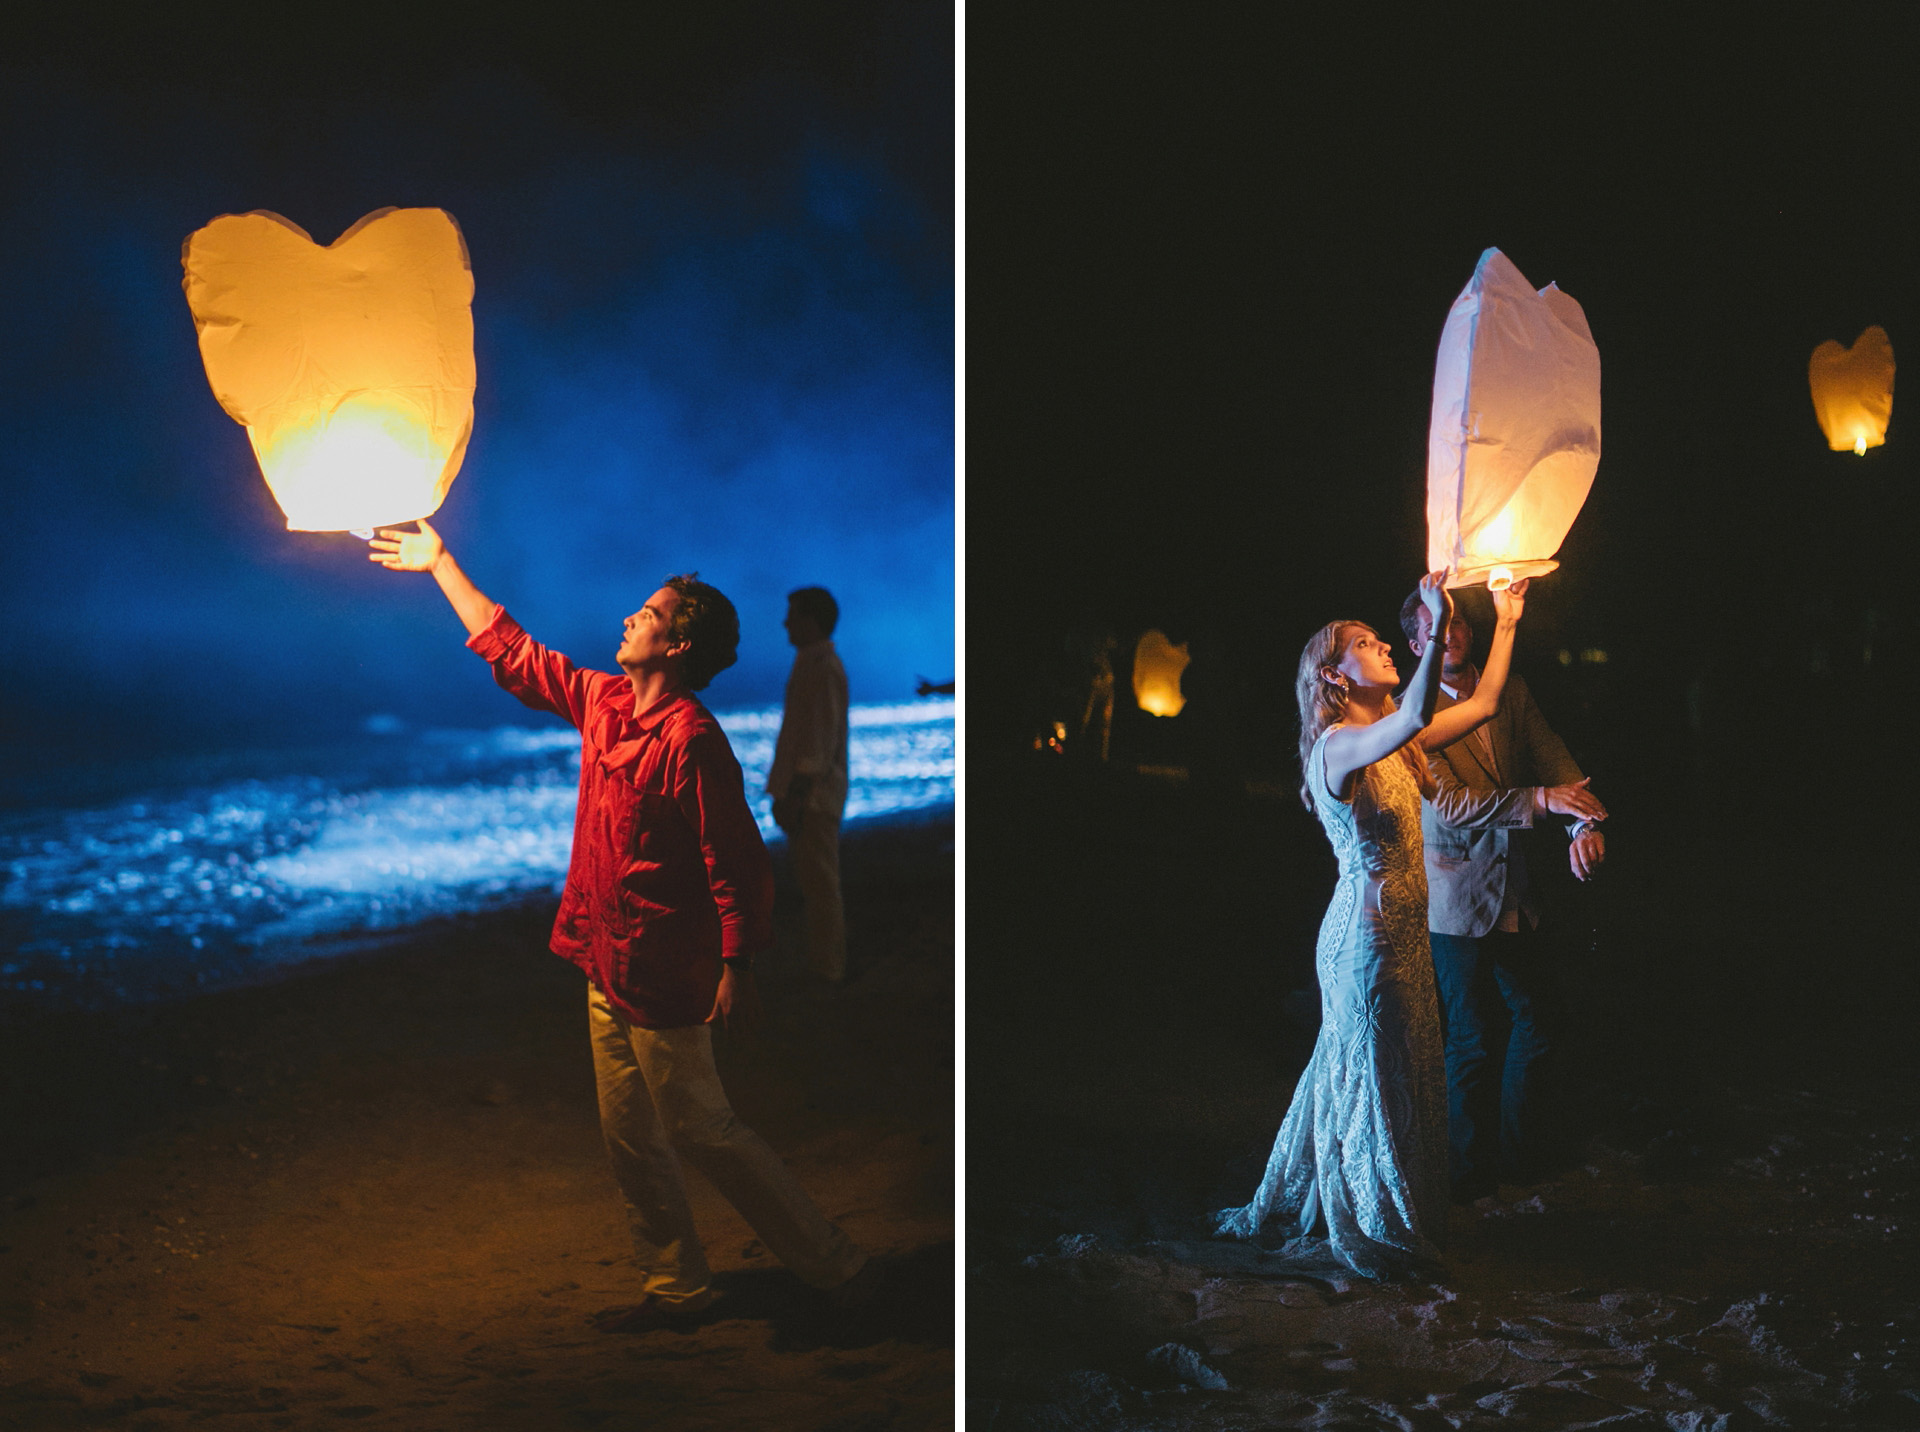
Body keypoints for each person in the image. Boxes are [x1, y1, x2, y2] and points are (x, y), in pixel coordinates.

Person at [369, 520, 876, 1329]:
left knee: (704, 1128)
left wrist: (736, 967)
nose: (631, 619)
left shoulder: (693, 743)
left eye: (650, 613)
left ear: (677, 646)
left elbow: (735, 864)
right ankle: (675, 1285)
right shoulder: (605, 703)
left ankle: (835, 1265)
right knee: (630, 1134)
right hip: (602, 958)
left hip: (668, 971)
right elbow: (518, 655)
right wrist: (441, 564)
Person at [1215, 572, 1528, 1279]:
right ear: (1333, 675)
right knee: (1380, 1079)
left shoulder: (1393, 741)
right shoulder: (1336, 746)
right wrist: (1438, 616)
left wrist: (1506, 620)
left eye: (1385, 640)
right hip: (1367, 941)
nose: (1387, 647)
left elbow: (1480, 702)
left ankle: (1372, 1199)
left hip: (1406, 937)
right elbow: (1417, 715)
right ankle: (1378, 1221)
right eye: (1369, 644)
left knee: (1392, 1072)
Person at [1398, 585, 1607, 1200]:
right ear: (1420, 642)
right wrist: (1542, 802)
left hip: (1515, 889)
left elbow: (1556, 763)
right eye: (1444, 625)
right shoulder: (1413, 712)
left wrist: (1584, 824)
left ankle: (1519, 1159)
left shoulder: (1509, 692)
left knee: (1539, 1021)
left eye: (1463, 622)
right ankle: (1468, 1174)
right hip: (1455, 897)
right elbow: (1454, 804)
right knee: (1471, 1038)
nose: (1457, 632)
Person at [768, 587, 850, 983]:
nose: (786, 622)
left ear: (810, 621)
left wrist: (794, 796)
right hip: (810, 796)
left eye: (793, 615)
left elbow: (816, 742)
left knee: (820, 884)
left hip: (814, 798)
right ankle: (823, 963)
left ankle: (827, 968)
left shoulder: (822, 666)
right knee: (816, 883)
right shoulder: (813, 663)